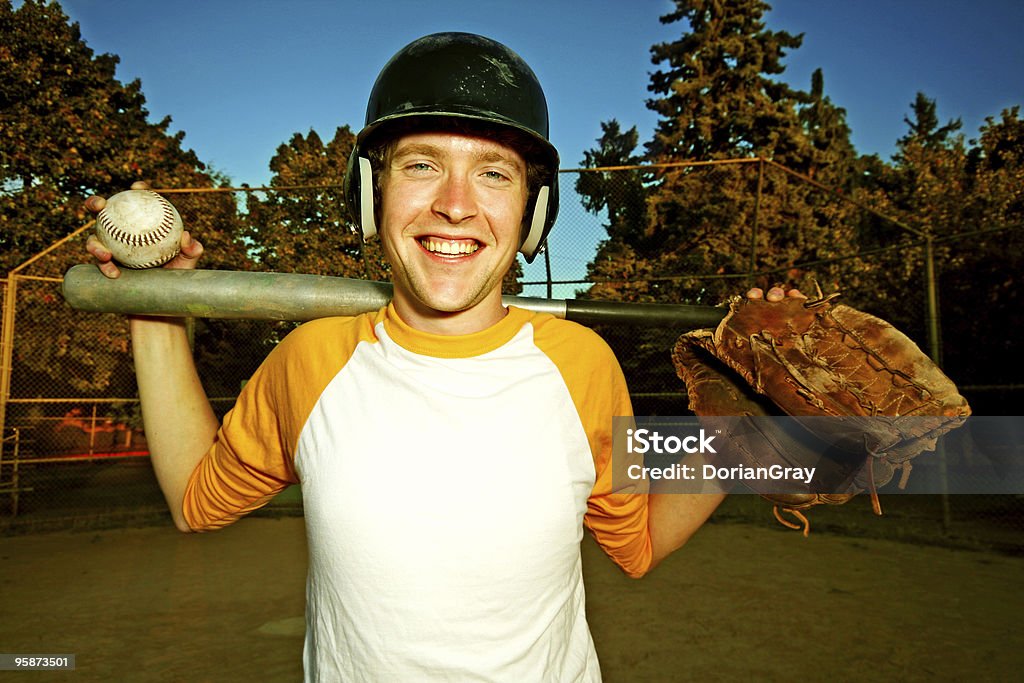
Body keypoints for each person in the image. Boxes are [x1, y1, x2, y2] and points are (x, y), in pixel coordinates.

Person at [86, 32, 799, 682]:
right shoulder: (312, 361)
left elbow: (637, 541)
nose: (456, 204)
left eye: (494, 173)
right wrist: (152, 307)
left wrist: (748, 421)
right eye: (423, 164)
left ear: (532, 211)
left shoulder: (581, 366)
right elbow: (193, 500)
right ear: (372, 194)